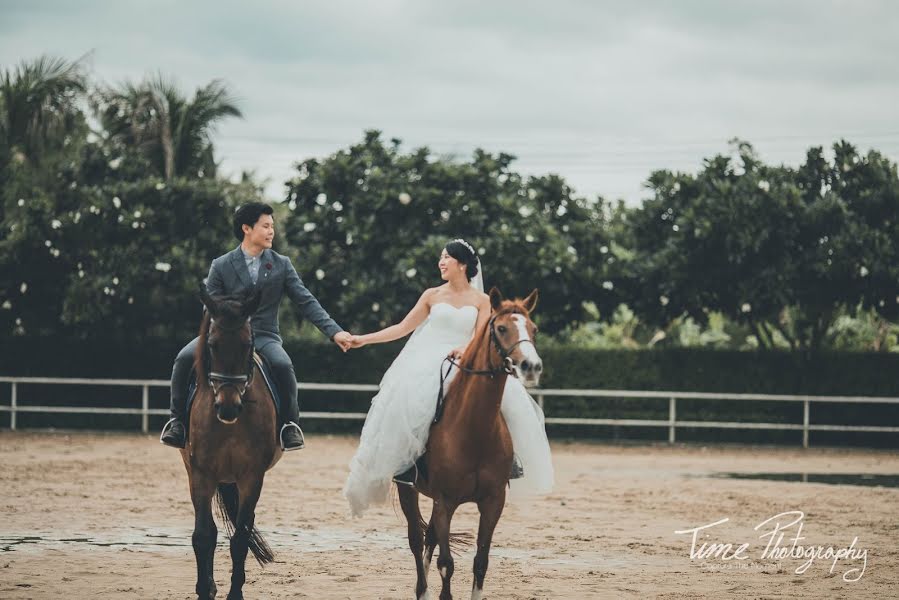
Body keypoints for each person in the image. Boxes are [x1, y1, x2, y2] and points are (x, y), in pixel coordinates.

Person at [342, 238, 554, 517]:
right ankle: (409, 465)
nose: (441, 262)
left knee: (506, 399)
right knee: (408, 401)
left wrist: (465, 350)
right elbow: (403, 327)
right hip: (427, 360)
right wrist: (363, 340)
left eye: (446, 257)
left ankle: (508, 460)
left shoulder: (481, 300)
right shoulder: (432, 295)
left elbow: (481, 334)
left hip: (464, 358)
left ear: (462, 264)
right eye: (441, 257)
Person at [160, 202, 352, 451]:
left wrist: (335, 331)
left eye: (272, 226)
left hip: (264, 336)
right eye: (266, 226)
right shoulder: (221, 265)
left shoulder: (281, 264)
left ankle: (290, 426)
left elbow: (306, 301)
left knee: (283, 365)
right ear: (246, 228)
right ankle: (177, 422)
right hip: (225, 334)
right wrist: (225, 322)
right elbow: (209, 308)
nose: (272, 231)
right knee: (183, 359)